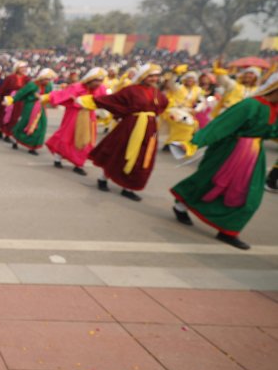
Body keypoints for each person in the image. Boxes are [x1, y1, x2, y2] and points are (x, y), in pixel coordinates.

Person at [170, 73, 278, 250]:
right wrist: (193, 143)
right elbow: (220, 125)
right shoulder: (250, 105)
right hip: (229, 150)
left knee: (250, 194)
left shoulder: (276, 109)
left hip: (254, 154)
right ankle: (181, 204)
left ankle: (229, 230)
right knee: (208, 182)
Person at [82, 63, 169, 201]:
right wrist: (92, 101)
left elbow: (164, 104)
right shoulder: (131, 90)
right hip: (131, 125)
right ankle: (103, 178)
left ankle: (129, 187)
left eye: (156, 76)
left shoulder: (157, 93)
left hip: (150, 128)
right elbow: (113, 100)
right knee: (118, 151)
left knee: (142, 156)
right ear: (143, 76)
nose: (154, 79)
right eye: (151, 76)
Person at [45, 67, 108, 174]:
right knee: (66, 136)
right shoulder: (76, 87)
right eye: (97, 80)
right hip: (74, 114)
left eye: (101, 80)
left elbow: (106, 100)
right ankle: (57, 158)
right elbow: (62, 95)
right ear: (90, 80)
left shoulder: (101, 88)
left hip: (89, 116)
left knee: (85, 139)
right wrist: (47, 98)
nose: (99, 83)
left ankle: (78, 164)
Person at [10, 68, 56, 155]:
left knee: (41, 126)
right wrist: (12, 100)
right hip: (30, 107)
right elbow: (21, 93)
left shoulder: (49, 86)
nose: (48, 81)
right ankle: (16, 139)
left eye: (49, 79)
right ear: (41, 78)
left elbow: (50, 96)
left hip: (42, 107)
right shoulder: (32, 85)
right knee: (25, 123)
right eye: (46, 79)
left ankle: (33, 146)